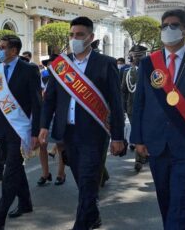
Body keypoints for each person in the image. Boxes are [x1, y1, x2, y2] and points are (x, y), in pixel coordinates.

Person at [39, 17, 125, 230]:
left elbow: (116, 102)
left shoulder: (106, 63)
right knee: (81, 180)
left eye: (80, 35)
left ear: (91, 38)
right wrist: (42, 127)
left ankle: (81, 224)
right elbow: (49, 100)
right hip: (67, 133)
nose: (74, 39)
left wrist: (118, 136)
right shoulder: (60, 65)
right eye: (71, 35)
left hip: (94, 134)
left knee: (87, 182)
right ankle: (93, 216)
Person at [131, 9, 185, 230]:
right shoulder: (149, 63)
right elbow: (139, 103)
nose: (167, 30)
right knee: (166, 200)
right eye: (164, 26)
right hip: (156, 144)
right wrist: (137, 138)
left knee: (180, 199)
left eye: (173, 25)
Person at [0, 35, 42, 230]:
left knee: (10, 173)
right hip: (2, 130)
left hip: (20, 129)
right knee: (16, 169)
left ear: (14, 51)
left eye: (2, 47)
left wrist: (35, 132)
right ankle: (25, 203)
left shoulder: (29, 69)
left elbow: (36, 102)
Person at [37, 54, 66, 186]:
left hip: (58, 115)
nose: (51, 65)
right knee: (42, 144)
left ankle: (61, 173)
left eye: (53, 62)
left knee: (60, 146)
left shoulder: (65, 78)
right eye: (49, 63)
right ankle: (45, 173)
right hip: (44, 115)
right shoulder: (43, 77)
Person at [121, 45, 148, 172]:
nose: (136, 58)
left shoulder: (151, 71)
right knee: (137, 132)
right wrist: (122, 108)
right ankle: (139, 159)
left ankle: (143, 156)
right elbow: (123, 91)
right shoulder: (127, 72)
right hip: (132, 108)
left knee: (146, 132)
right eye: (134, 56)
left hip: (148, 109)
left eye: (139, 56)